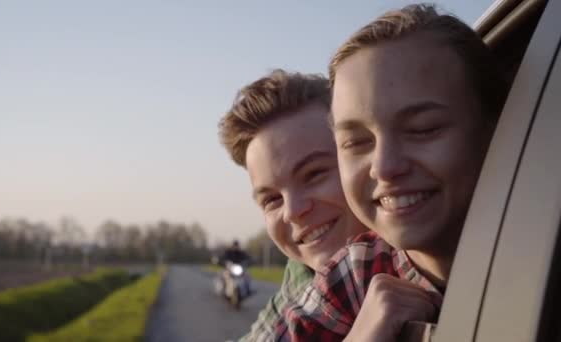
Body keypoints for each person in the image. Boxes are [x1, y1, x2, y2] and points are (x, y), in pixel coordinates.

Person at [273, 4, 511, 341]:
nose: (384, 167)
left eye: (423, 128)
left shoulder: (543, 247)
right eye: (356, 142)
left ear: (494, 130)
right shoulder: (353, 276)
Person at [218, 69, 368, 340]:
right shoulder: (300, 275)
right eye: (272, 199)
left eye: (314, 174)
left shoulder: (428, 263)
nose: (294, 211)